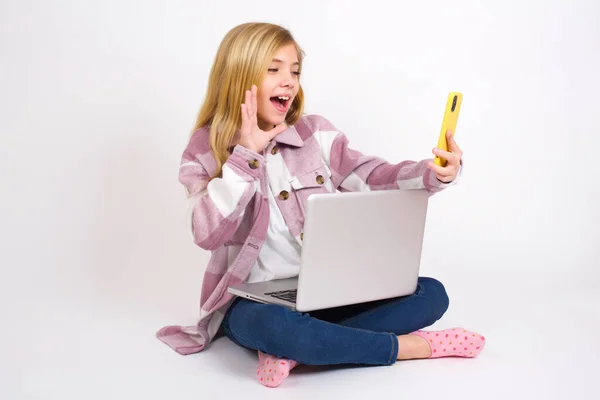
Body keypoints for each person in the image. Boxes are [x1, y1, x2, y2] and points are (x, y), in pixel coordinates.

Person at [157, 22, 485, 388]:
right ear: (239, 76)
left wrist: (433, 175)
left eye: (295, 71)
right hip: (254, 302)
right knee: (276, 326)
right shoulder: (204, 148)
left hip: (327, 293)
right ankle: (411, 347)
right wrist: (246, 156)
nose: (289, 81)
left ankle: (298, 350)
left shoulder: (315, 133)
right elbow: (205, 233)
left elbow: (373, 175)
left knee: (431, 294)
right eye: (274, 69)